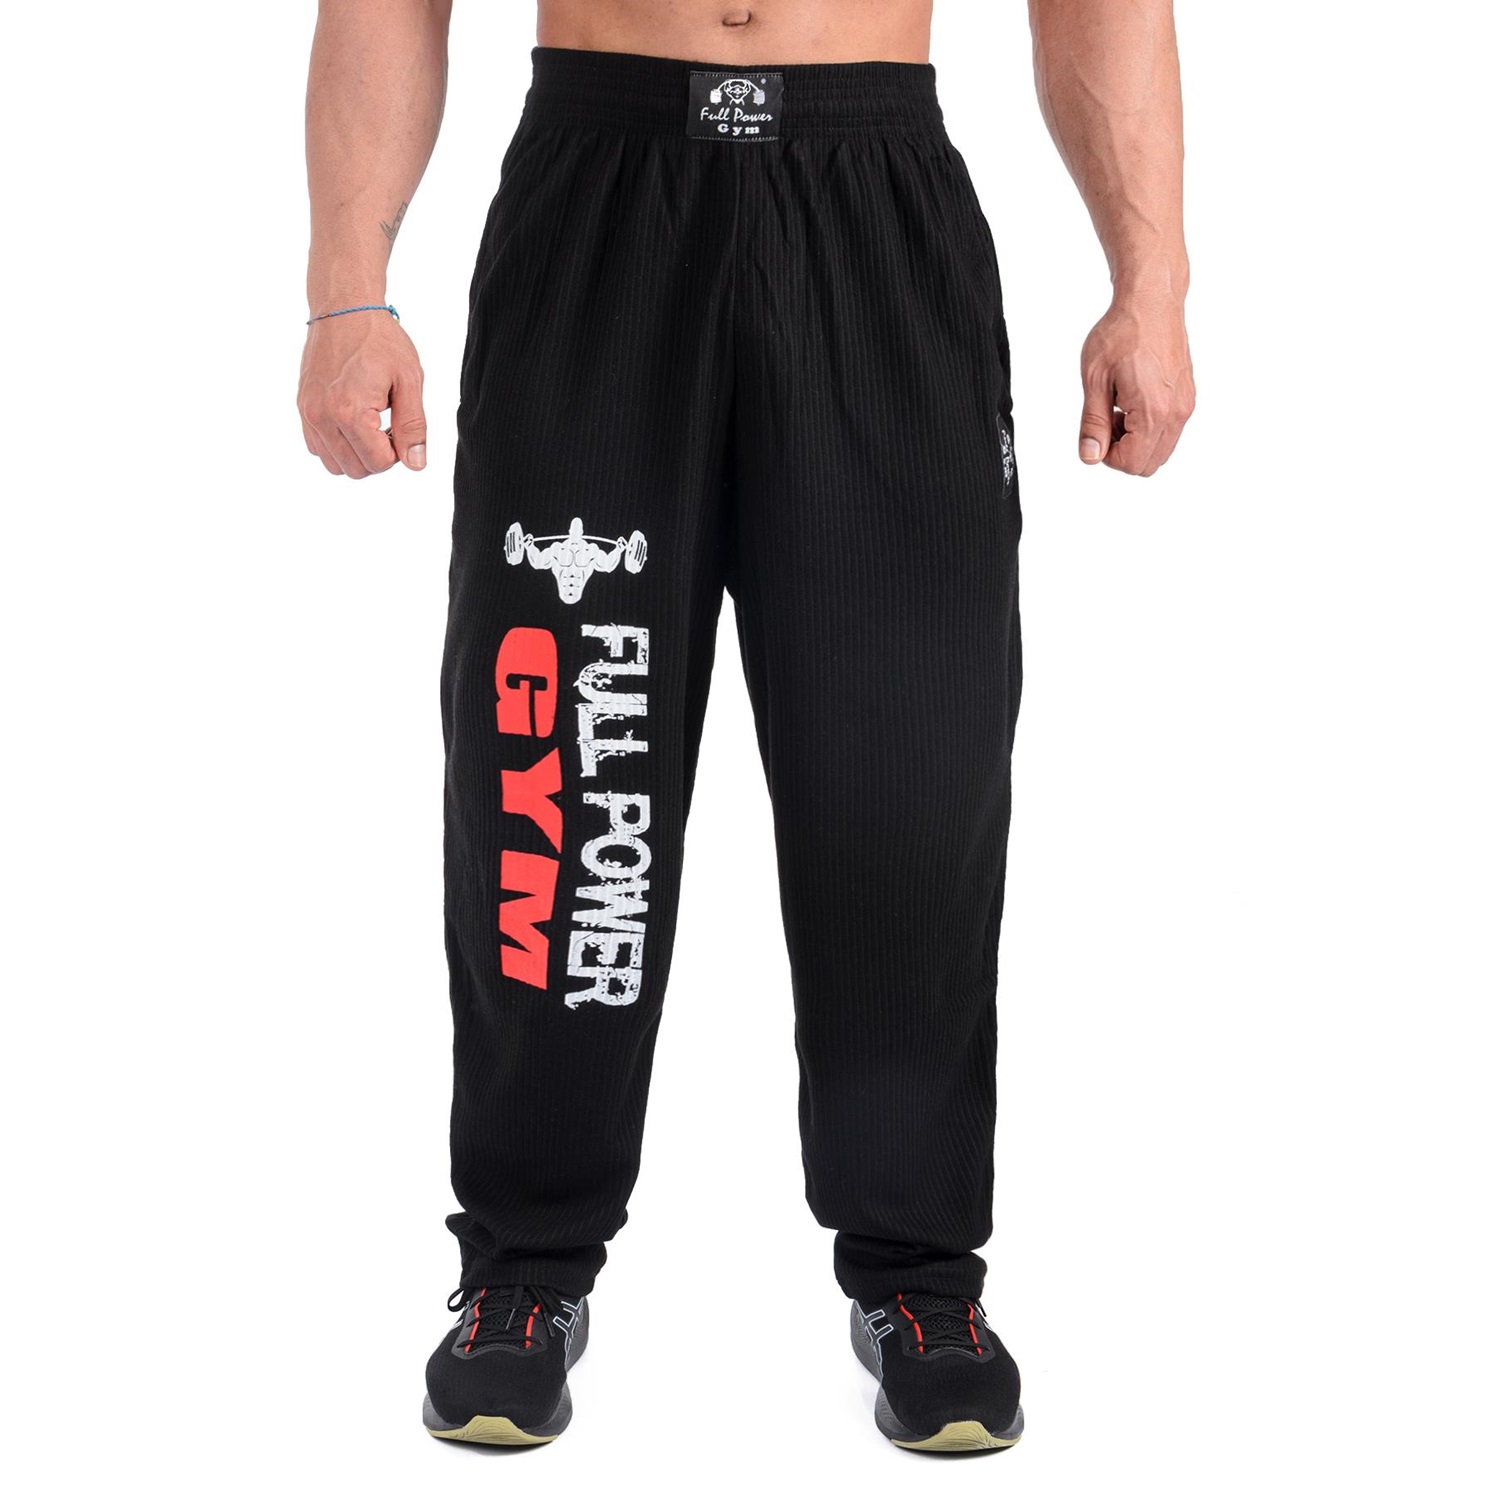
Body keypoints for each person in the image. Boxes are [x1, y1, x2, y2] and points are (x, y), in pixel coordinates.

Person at [297, 0, 1195, 1454]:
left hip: (876, 202)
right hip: (597, 194)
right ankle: (523, 1268)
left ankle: (920, 1279)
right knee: (559, 773)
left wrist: (1149, 284)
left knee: (909, 769)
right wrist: (348, 293)